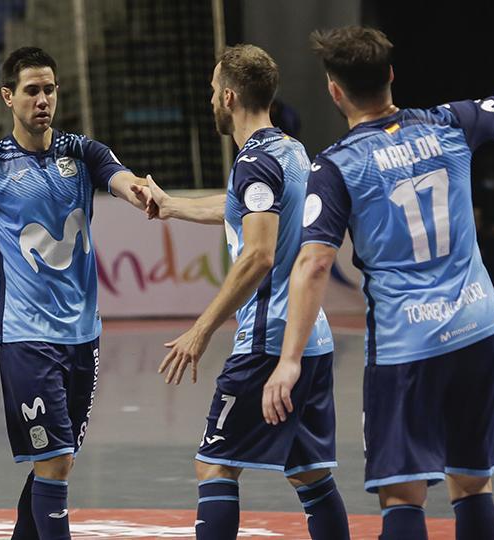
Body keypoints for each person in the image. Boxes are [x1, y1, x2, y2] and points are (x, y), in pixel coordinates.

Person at [262, 26, 494, 540]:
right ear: (390, 75)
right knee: (473, 486)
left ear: (334, 91)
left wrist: (291, 359)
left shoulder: (337, 166)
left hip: (407, 346)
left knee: (403, 494)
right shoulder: (447, 124)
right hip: (477, 329)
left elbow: (314, 263)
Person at [135, 44, 348, 540]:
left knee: (215, 466)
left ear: (229, 97)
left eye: (213, 90)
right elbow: (239, 208)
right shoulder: (290, 149)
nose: (210, 98)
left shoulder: (255, 162)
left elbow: (258, 254)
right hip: (310, 341)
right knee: (310, 474)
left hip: (266, 343)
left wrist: (200, 330)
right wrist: (172, 206)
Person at [0, 46, 153, 540]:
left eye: (50, 89)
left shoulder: (83, 152)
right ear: (8, 97)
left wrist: (138, 190)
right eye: (32, 90)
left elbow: (117, 177)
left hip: (84, 335)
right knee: (55, 460)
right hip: (26, 337)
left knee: (54, 463)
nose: (43, 100)